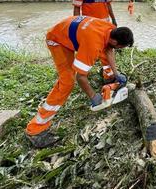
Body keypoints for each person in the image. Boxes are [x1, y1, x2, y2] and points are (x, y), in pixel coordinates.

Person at [25, 16, 133, 148]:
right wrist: (93, 96)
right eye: (120, 47)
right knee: (67, 82)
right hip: (57, 40)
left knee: (101, 52)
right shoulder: (93, 44)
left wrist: (116, 73)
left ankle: (109, 77)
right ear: (115, 42)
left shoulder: (110, 29)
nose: (118, 49)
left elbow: (109, 50)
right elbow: (80, 77)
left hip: (69, 30)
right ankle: (35, 129)